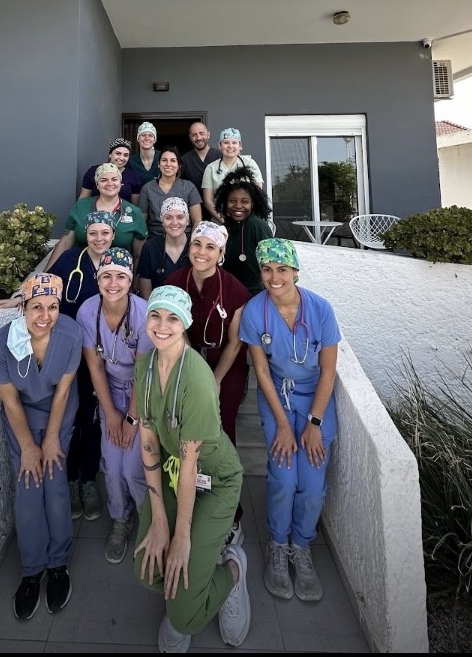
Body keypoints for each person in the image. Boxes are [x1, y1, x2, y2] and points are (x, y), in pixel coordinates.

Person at [133, 285, 251, 652]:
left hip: (214, 480)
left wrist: (180, 536)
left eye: (172, 318)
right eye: (155, 315)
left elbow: (191, 464)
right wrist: (160, 522)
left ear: (184, 324)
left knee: (185, 615)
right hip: (173, 472)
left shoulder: (197, 379)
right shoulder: (145, 367)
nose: (162, 325)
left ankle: (232, 571)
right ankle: (194, 575)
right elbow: (150, 443)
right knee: (148, 567)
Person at [0, 211, 116, 522]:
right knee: (68, 422)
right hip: (67, 349)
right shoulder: (72, 258)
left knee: (91, 419)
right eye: (94, 232)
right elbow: (41, 286)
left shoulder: (118, 264)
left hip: (97, 355)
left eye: (106, 233)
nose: (100, 238)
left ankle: (87, 481)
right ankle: (70, 481)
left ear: (113, 235)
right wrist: (17, 298)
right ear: (87, 233)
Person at [238, 238, 341, 603]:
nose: (274, 277)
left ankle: (302, 546)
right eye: (267, 269)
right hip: (277, 398)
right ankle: (278, 547)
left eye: (282, 269)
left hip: (316, 400)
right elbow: (262, 372)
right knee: (283, 476)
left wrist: (313, 424)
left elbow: (328, 372)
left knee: (312, 484)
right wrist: (283, 423)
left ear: (295, 271)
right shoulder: (255, 312)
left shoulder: (321, 309)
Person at [0, 273, 81, 619]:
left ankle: (58, 565)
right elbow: (11, 401)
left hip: (58, 415)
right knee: (29, 484)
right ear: (22, 308)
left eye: (53, 307)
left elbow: (63, 390)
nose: (45, 316)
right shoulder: (1, 344)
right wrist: (29, 447)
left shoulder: (70, 334)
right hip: (22, 420)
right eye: (36, 307)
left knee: (55, 480)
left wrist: (53, 437)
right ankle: (32, 571)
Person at [165, 221, 251, 547]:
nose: (201, 252)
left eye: (210, 247)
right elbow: (177, 331)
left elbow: (235, 343)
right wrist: (197, 375)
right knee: (187, 435)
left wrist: (213, 381)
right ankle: (193, 498)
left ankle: (231, 514)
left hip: (225, 369)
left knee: (221, 431)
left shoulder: (235, 290)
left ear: (221, 253)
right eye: (197, 244)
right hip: (187, 362)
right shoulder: (176, 282)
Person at [76, 248, 153, 564]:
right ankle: (121, 519)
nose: (113, 283)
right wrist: (110, 415)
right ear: (97, 279)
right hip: (108, 394)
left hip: (141, 396)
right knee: (110, 466)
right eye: (106, 275)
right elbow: (94, 367)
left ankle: (151, 521)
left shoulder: (143, 312)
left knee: (134, 469)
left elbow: (142, 371)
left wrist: (131, 419)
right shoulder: (86, 312)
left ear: (131, 279)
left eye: (121, 276)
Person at [45, 162, 147, 272]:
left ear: (120, 183)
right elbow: (65, 243)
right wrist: (46, 273)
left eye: (114, 179)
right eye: (104, 180)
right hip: (81, 269)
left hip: (118, 275)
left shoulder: (133, 212)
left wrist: (137, 286)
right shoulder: (81, 206)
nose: (110, 183)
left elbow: (138, 255)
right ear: (97, 185)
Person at [214, 165, 274, 295]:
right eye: (232, 201)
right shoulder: (226, 227)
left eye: (245, 201)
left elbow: (272, 263)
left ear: (253, 204)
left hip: (255, 295)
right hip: (230, 293)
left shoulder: (257, 226)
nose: (238, 206)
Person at [138, 146, 202, 237]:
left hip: (184, 238)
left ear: (179, 165)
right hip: (156, 238)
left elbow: (197, 221)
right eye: (164, 160)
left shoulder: (189, 187)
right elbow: (142, 223)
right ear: (158, 164)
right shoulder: (147, 189)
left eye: (173, 160)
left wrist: (193, 241)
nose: (168, 164)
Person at [202, 128, 264, 223]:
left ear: (240, 146)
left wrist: (244, 219)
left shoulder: (250, 164)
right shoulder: (211, 168)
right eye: (226, 142)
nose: (230, 146)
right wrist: (225, 221)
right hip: (220, 223)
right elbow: (208, 201)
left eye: (234, 142)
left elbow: (257, 194)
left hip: (247, 221)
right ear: (219, 145)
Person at [137, 197, 191, 300]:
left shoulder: (196, 246)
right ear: (162, 221)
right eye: (168, 218)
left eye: (180, 217)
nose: (174, 222)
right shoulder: (150, 248)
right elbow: (146, 295)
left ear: (187, 220)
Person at [78, 137, 142, 204]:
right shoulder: (94, 171)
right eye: (118, 153)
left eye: (126, 155)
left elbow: (134, 205)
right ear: (110, 155)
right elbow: (83, 199)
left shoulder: (133, 177)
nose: (122, 158)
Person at [180, 121, 219, 211]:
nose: (198, 138)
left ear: (208, 135)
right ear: (190, 138)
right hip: (194, 211)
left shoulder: (220, 156)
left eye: (202, 133)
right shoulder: (184, 160)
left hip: (218, 211)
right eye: (194, 135)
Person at [129, 121, 161, 186]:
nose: (147, 138)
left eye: (150, 135)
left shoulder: (163, 157)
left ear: (154, 140)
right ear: (138, 139)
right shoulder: (131, 161)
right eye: (143, 135)